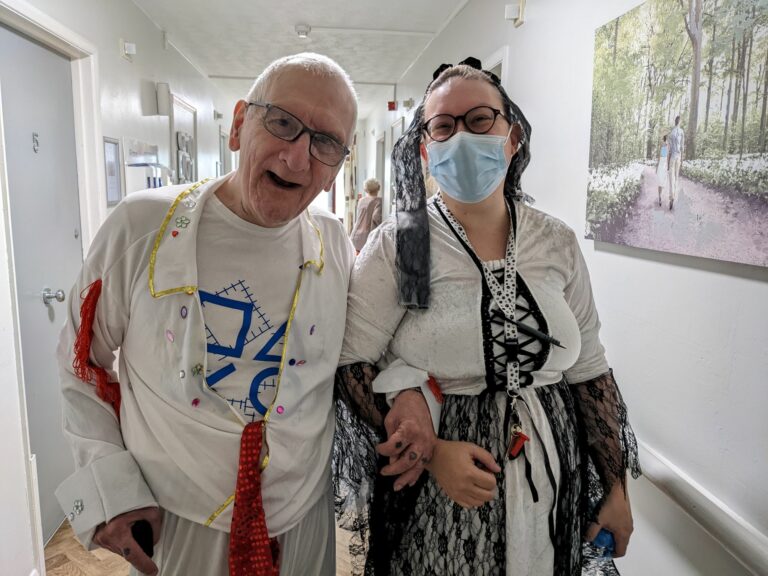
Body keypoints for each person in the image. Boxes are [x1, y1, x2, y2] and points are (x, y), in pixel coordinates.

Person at [55, 52, 432, 576]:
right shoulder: (141, 228)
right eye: (282, 122)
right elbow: (81, 361)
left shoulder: (334, 245)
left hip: (303, 517)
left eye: (325, 142)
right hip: (179, 519)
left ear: (336, 170)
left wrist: (409, 393)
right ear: (237, 125)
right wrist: (110, 487)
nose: (296, 158)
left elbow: (369, 345)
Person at [337, 58, 640, 575]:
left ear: (512, 137)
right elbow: (351, 362)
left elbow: (589, 370)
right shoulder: (404, 243)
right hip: (445, 486)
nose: (461, 137)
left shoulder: (556, 241)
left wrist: (615, 488)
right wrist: (431, 452)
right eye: (443, 126)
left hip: (553, 471)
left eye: (480, 120)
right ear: (426, 150)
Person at [350, 177, 383, 251]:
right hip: (366, 238)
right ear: (378, 188)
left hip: (354, 235)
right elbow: (376, 217)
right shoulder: (378, 201)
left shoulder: (361, 200)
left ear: (366, 189)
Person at [667, 115, 685, 210]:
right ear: (679, 122)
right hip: (678, 156)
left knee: (671, 177)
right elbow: (682, 147)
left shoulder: (671, 133)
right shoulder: (681, 132)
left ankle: (671, 197)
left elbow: (669, 149)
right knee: (676, 177)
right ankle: (674, 195)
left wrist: (667, 161)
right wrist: (682, 160)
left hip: (672, 157)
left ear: (675, 122)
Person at [656, 134, 668, 207]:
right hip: (664, 164)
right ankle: (660, 196)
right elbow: (665, 156)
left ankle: (660, 196)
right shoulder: (667, 146)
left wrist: (657, 166)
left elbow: (659, 157)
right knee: (662, 181)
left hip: (662, 164)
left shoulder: (662, 146)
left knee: (660, 181)